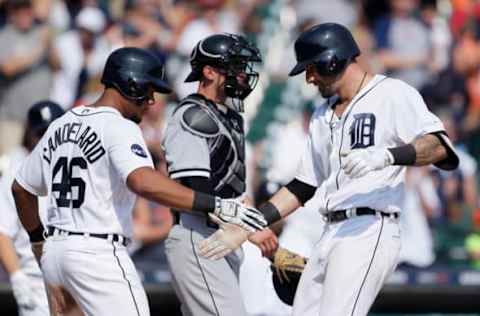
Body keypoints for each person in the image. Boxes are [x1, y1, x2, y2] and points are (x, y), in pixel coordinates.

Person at [200, 23, 459, 316]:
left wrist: (388, 156)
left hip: (369, 227)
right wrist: (251, 224)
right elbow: (301, 187)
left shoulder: (392, 93)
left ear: (332, 59)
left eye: (311, 68)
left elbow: (440, 147)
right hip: (330, 231)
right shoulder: (322, 114)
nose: (309, 78)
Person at [10, 47, 267, 316]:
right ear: (130, 84)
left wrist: (39, 241)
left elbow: (21, 189)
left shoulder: (60, 125)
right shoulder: (120, 126)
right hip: (97, 255)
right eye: (149, 90)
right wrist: (215, 204)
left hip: (57, 254)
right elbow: (142, 182)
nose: (152, 101)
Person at [162, 33, 276, 316]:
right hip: (198, 233)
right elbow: (196, 188)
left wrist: (253, 226)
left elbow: (232, 191)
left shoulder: (229, 116)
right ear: (209, 71)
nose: (243, 75)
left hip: (221, 236)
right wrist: (247, 227)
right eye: (235, 67)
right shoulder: (194, 114)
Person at [0, 101, 64, 316]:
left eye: (52, 131)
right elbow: (2, 232)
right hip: (37, 283)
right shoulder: (15, 175)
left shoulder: (79, 169)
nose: (47, 139)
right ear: (30, 135)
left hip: (79, 276)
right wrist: (17, 278)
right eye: (41, 133)